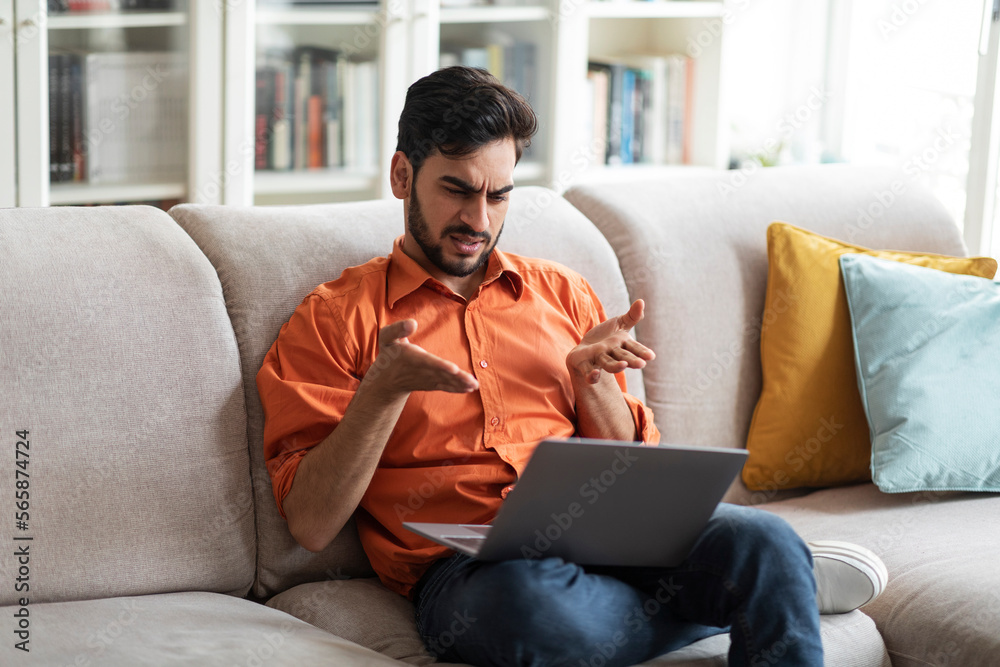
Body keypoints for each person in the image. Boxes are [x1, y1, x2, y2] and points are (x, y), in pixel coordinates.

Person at [257, 66, 886, 667]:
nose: (479, 221)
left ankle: (769, 579)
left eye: (498, 195)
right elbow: (311, 525)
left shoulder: (561, 293)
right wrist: (381, 394)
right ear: (402, 174)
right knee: (534, 611)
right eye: (456, 190)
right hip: (475, 572)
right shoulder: (335, 319)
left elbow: (642, 477)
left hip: (612, 536)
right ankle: (763, 595)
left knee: (766, 540)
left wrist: (593, 386)